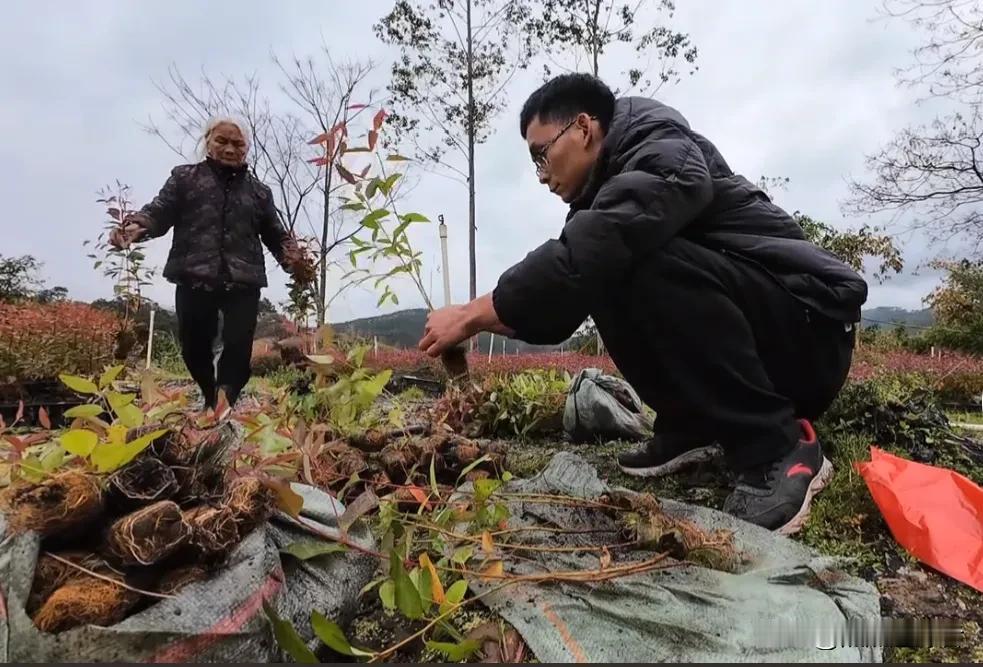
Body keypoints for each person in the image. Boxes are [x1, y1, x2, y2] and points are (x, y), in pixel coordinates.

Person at [417, 73, 866, 534]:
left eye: (541, 154)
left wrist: (470, 314)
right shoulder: (607, 190)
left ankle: (778, 446)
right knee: (603, 266)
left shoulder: (666, 155)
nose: (542, 176)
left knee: (630, 255)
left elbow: (589, 250)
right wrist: (484, 321)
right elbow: (562, 301)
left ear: (583, 129)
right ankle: (693, 425)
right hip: (771, 341)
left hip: (809, 338)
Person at [110, 117, 303, 410]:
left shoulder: (259, 193)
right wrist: (136, 227)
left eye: (237, 144)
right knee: (193, 348)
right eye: (222, 141)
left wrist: (294, 259)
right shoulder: (185, 179)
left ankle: (224, 403)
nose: (229, 149)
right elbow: (160, 211)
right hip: (194, 275)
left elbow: (276, 234)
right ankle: (210, 396)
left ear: (246, 149)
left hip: (243, 280)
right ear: (208, 142)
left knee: (238, 348)